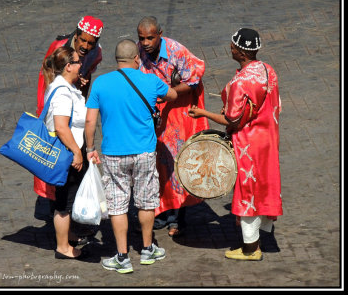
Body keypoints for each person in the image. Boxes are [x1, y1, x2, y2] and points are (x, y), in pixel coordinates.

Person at [188, 28, 282, 261]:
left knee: (247, 191)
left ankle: (251, 249)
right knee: (263, 185)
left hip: (248, 144)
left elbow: (231, 120)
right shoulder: (268, 70)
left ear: (240, 52)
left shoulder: (241, 82)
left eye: (232, 46)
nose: (230, 48)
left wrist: (202, 112)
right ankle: (258, 237)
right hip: (268, 139)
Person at [84, 39, 177, 273]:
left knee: (117, 205)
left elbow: (90, 121)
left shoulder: (101, 83)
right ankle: (147, 249)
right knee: (146, 201)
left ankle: (122, 256)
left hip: (114, 154)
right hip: (144, 152)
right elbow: (173, 95)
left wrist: (89, 148)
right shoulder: (150, 81)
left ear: (117, 60)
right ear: (137, 58)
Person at [33, 16, 104, 244]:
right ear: (76, 35)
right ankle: (63, 230)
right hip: (61, 111)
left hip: (75, 110)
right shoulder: (59, 49)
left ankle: (68, 223)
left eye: (90, 43)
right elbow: (48, 81)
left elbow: (87, 76)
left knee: (73, 174)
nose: (85, 47)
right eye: (82, 41)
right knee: (62, 174)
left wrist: (82, 82)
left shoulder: (95, 53)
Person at [137, 16, 209, 237]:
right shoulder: (140, 52)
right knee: (159, 161)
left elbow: (194, 78)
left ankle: (176, 216)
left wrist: (170, 93)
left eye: (150, 38)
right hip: (158, 109)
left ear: (160, 34)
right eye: (142, 38)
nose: (146, 43)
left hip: (180, 111)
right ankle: (162, 210)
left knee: (177, 161)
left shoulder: (177, 51)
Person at [41, 46, 90, 260]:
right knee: (65, 202)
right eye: (78, 62)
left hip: (69, 150)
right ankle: (62, 247)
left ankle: (68, 234)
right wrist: (76, 153)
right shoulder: (62, 92)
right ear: (68, 66)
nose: (81, 65)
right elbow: (61, 126)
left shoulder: (62, 86)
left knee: (67, 198)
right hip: (67, 153)